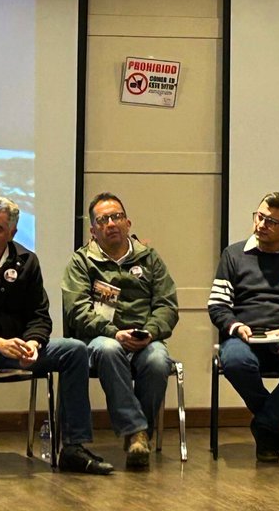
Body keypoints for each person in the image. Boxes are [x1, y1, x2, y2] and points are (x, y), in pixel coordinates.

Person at [0, 196, 114, 484]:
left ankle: (73, 447)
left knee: (75, 350)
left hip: (15, 348)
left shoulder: (26, 261)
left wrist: (33, 343)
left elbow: (40, 315)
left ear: (11, 234)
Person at [61, 192, 178, 469]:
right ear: (93, 230)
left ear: (128, 222)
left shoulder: (150, 259)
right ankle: (136, 431)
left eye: (116, 217)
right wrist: (114, 332)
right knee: (110, 349)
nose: (111, 224)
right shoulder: (81, 263)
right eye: (103, 220)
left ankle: (139, 438)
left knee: (158, 360)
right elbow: (77, 310)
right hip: (100, 339)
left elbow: (167, 305)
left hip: (144, 337)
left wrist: (149, 332)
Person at [208, 191, 279, 462]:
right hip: (243, 337)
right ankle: (274, 426)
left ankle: (264, 425)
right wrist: (236, 327)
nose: (261, 224)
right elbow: (217, 306)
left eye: (271, 221)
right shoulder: (233, 255)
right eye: (259, 217)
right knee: (236, 361)